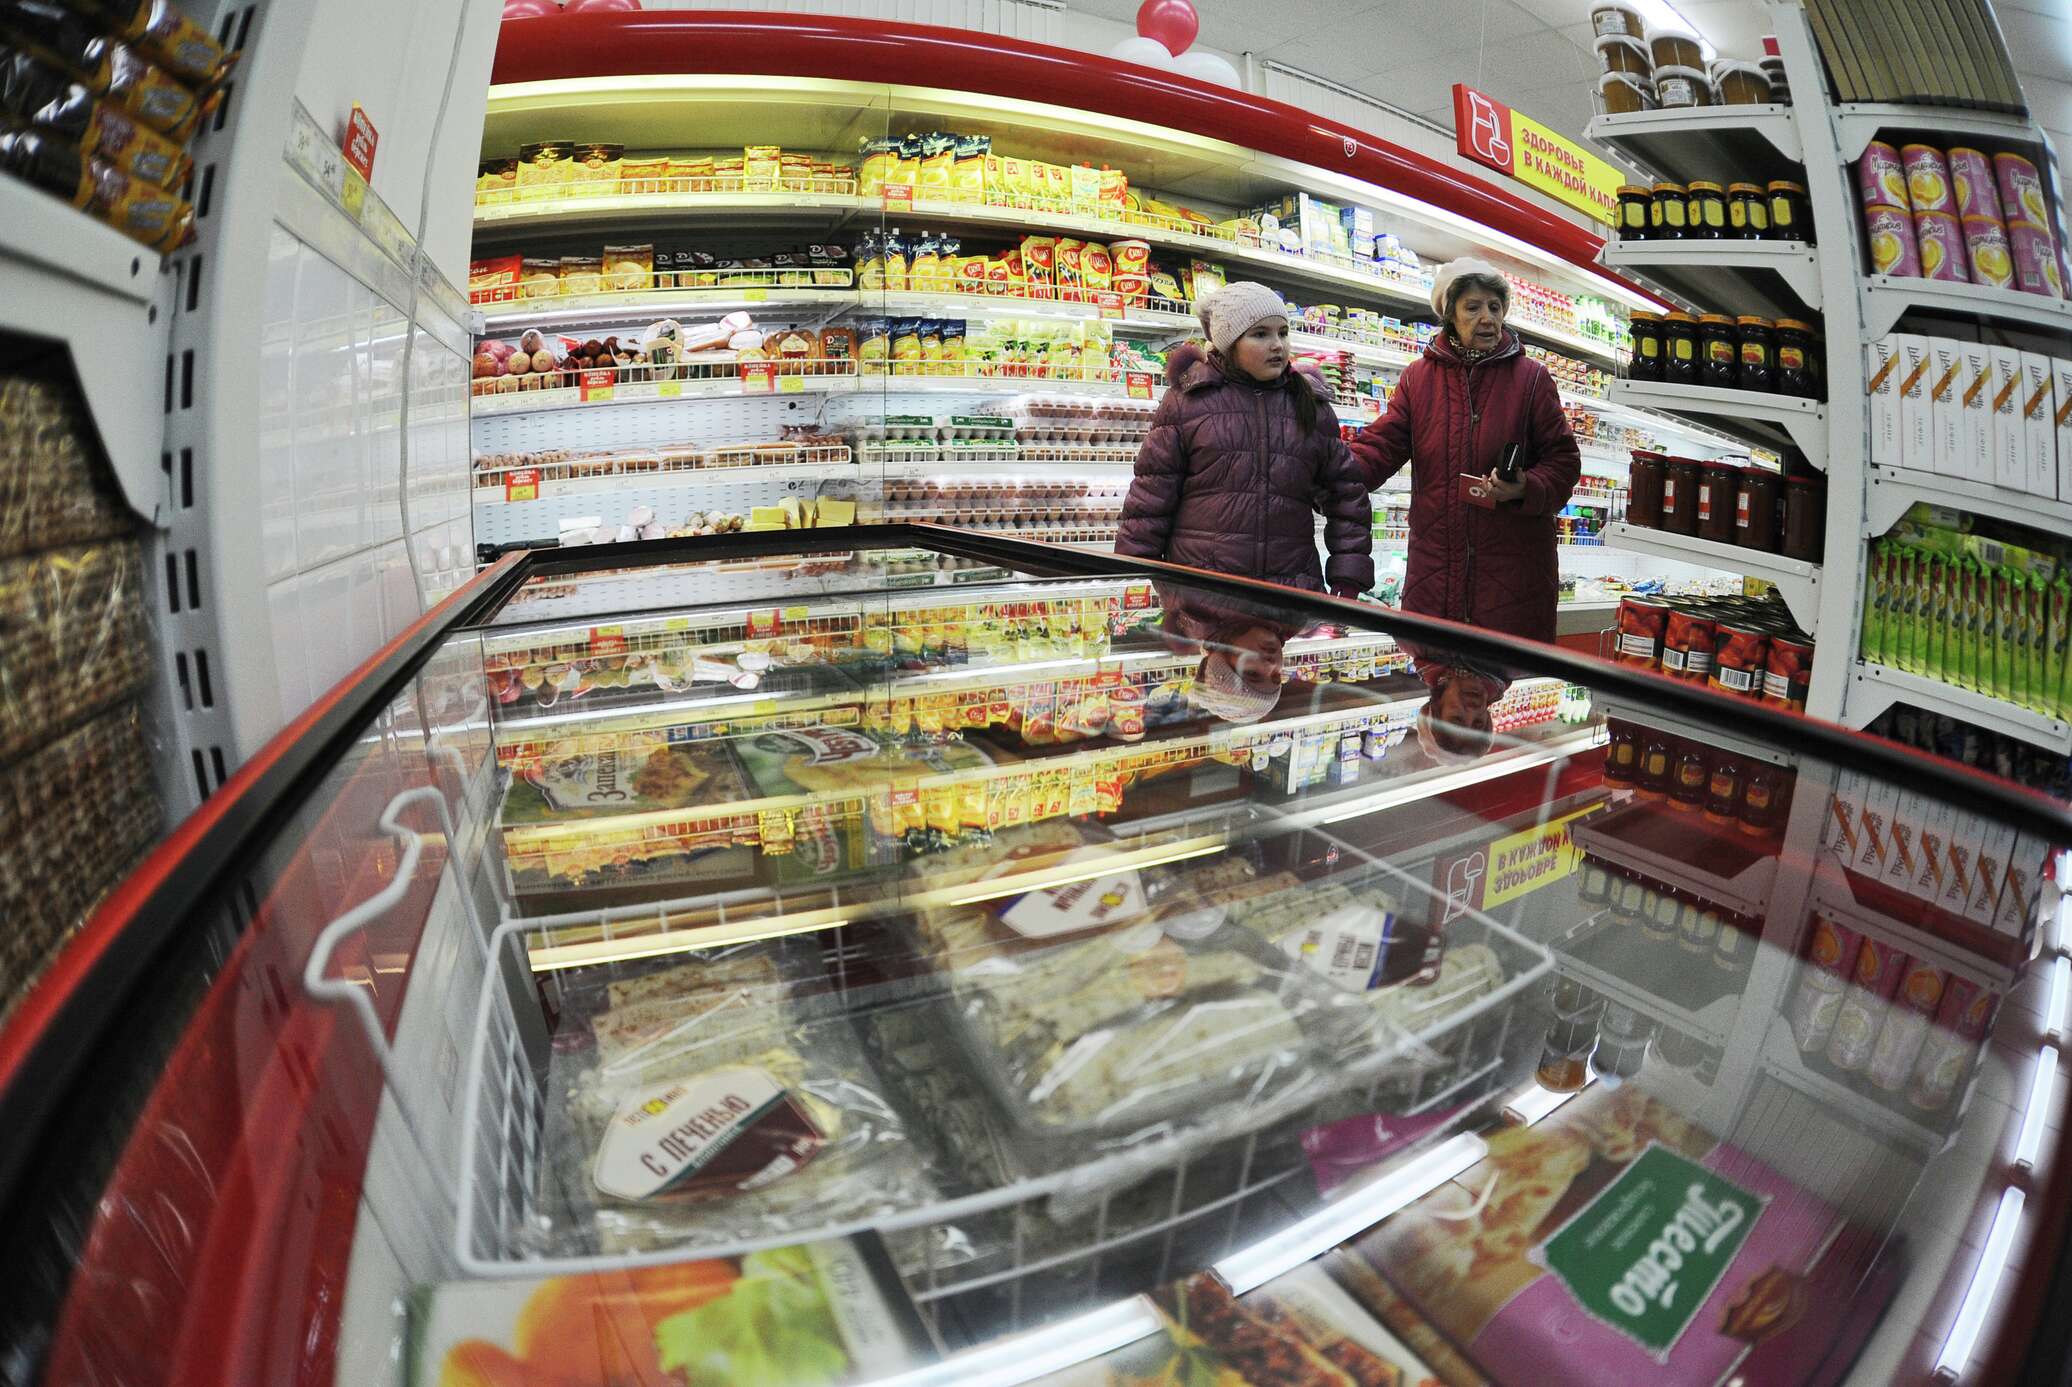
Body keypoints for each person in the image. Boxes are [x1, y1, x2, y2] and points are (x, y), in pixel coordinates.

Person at [1349, 257, 1582, 758]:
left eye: (1495, 306)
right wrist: (1324, 473)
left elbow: (1564, 463)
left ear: (1435, 707)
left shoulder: (1533, 379)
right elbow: (1380, 448)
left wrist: (1523, 488)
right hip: (1437, 578)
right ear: (1449, 314)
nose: (1487, 318)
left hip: (1513, 582)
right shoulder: (1418, 379)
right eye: (1473, 307)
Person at [1116, 281, 1374, 601]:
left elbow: (1347, 497)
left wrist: (1348, 576)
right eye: (1260, 334)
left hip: (1290, 596)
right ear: (1229, 343)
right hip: (1202, 596)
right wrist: (1133, 577)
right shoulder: (1188, 402)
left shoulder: (1309, 405)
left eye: (1283, 332)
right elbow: (1150, 500)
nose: (1277, 345)